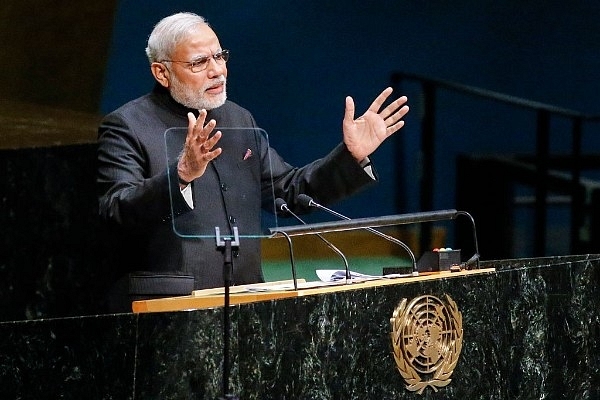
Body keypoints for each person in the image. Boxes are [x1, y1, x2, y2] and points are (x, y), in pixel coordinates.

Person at [97, 12, 409, 312]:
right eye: (199, 62)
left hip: (247, 303)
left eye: (219, 57)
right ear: (162, 73)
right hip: (167, 309)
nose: (217, 70)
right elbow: (116, 210)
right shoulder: (127, 125)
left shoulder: (239, 118)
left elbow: (288, 191)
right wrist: (180, 176)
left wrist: (350, 156)